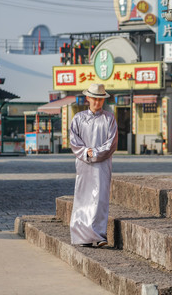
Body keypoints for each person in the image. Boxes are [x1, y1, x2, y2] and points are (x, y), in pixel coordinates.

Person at [69, 83, 118, 248]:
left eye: (100, 99)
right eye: (95, 98)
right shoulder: (78, 118)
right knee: (83, 197)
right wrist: (85, 152)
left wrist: (94, 152)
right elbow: (74, 141)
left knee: (100, 198)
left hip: (102, 164)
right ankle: (82, 235)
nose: (97, 102)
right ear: (88, 98)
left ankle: (99, 234)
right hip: (84, 164)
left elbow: (111, 143)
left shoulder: (109, 119)